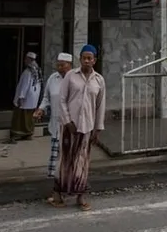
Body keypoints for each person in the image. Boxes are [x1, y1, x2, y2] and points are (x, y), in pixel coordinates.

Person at [49, 44, 105, 211]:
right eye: (84, 57)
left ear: (94, 60)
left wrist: (98, 128)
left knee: (82, 161)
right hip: (69, 126)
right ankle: (58, 195)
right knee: (65, 160)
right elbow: (62, 100)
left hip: (86, 127)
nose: (87, 60)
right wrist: (67, 121)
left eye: (90, 58)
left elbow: (100, 105)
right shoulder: (71, 76)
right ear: (80, 59)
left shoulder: (99, 80)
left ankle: (81, 197)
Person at [35, 53, 73, 183]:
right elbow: (46, 97)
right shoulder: (53, 78)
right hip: (55, 123)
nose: (60, 67)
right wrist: (41, 109)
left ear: (70, 65)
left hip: (70, 124)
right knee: (55, 153)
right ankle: (55, 181)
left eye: (63, 65)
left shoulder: (74, 79)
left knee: (69, 153)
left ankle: (68, 180)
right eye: (58, 64)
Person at [10, 52, 43, 143]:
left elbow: (25, 85)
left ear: (29, 60)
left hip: (26, 98)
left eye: (26, 59)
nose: (25, 61)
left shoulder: (28, 72)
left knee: (21, 117)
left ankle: (19, 134)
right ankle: (29, 133)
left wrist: (21, 97)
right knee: (30, 116)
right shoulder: (37, 71)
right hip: (33, 98)